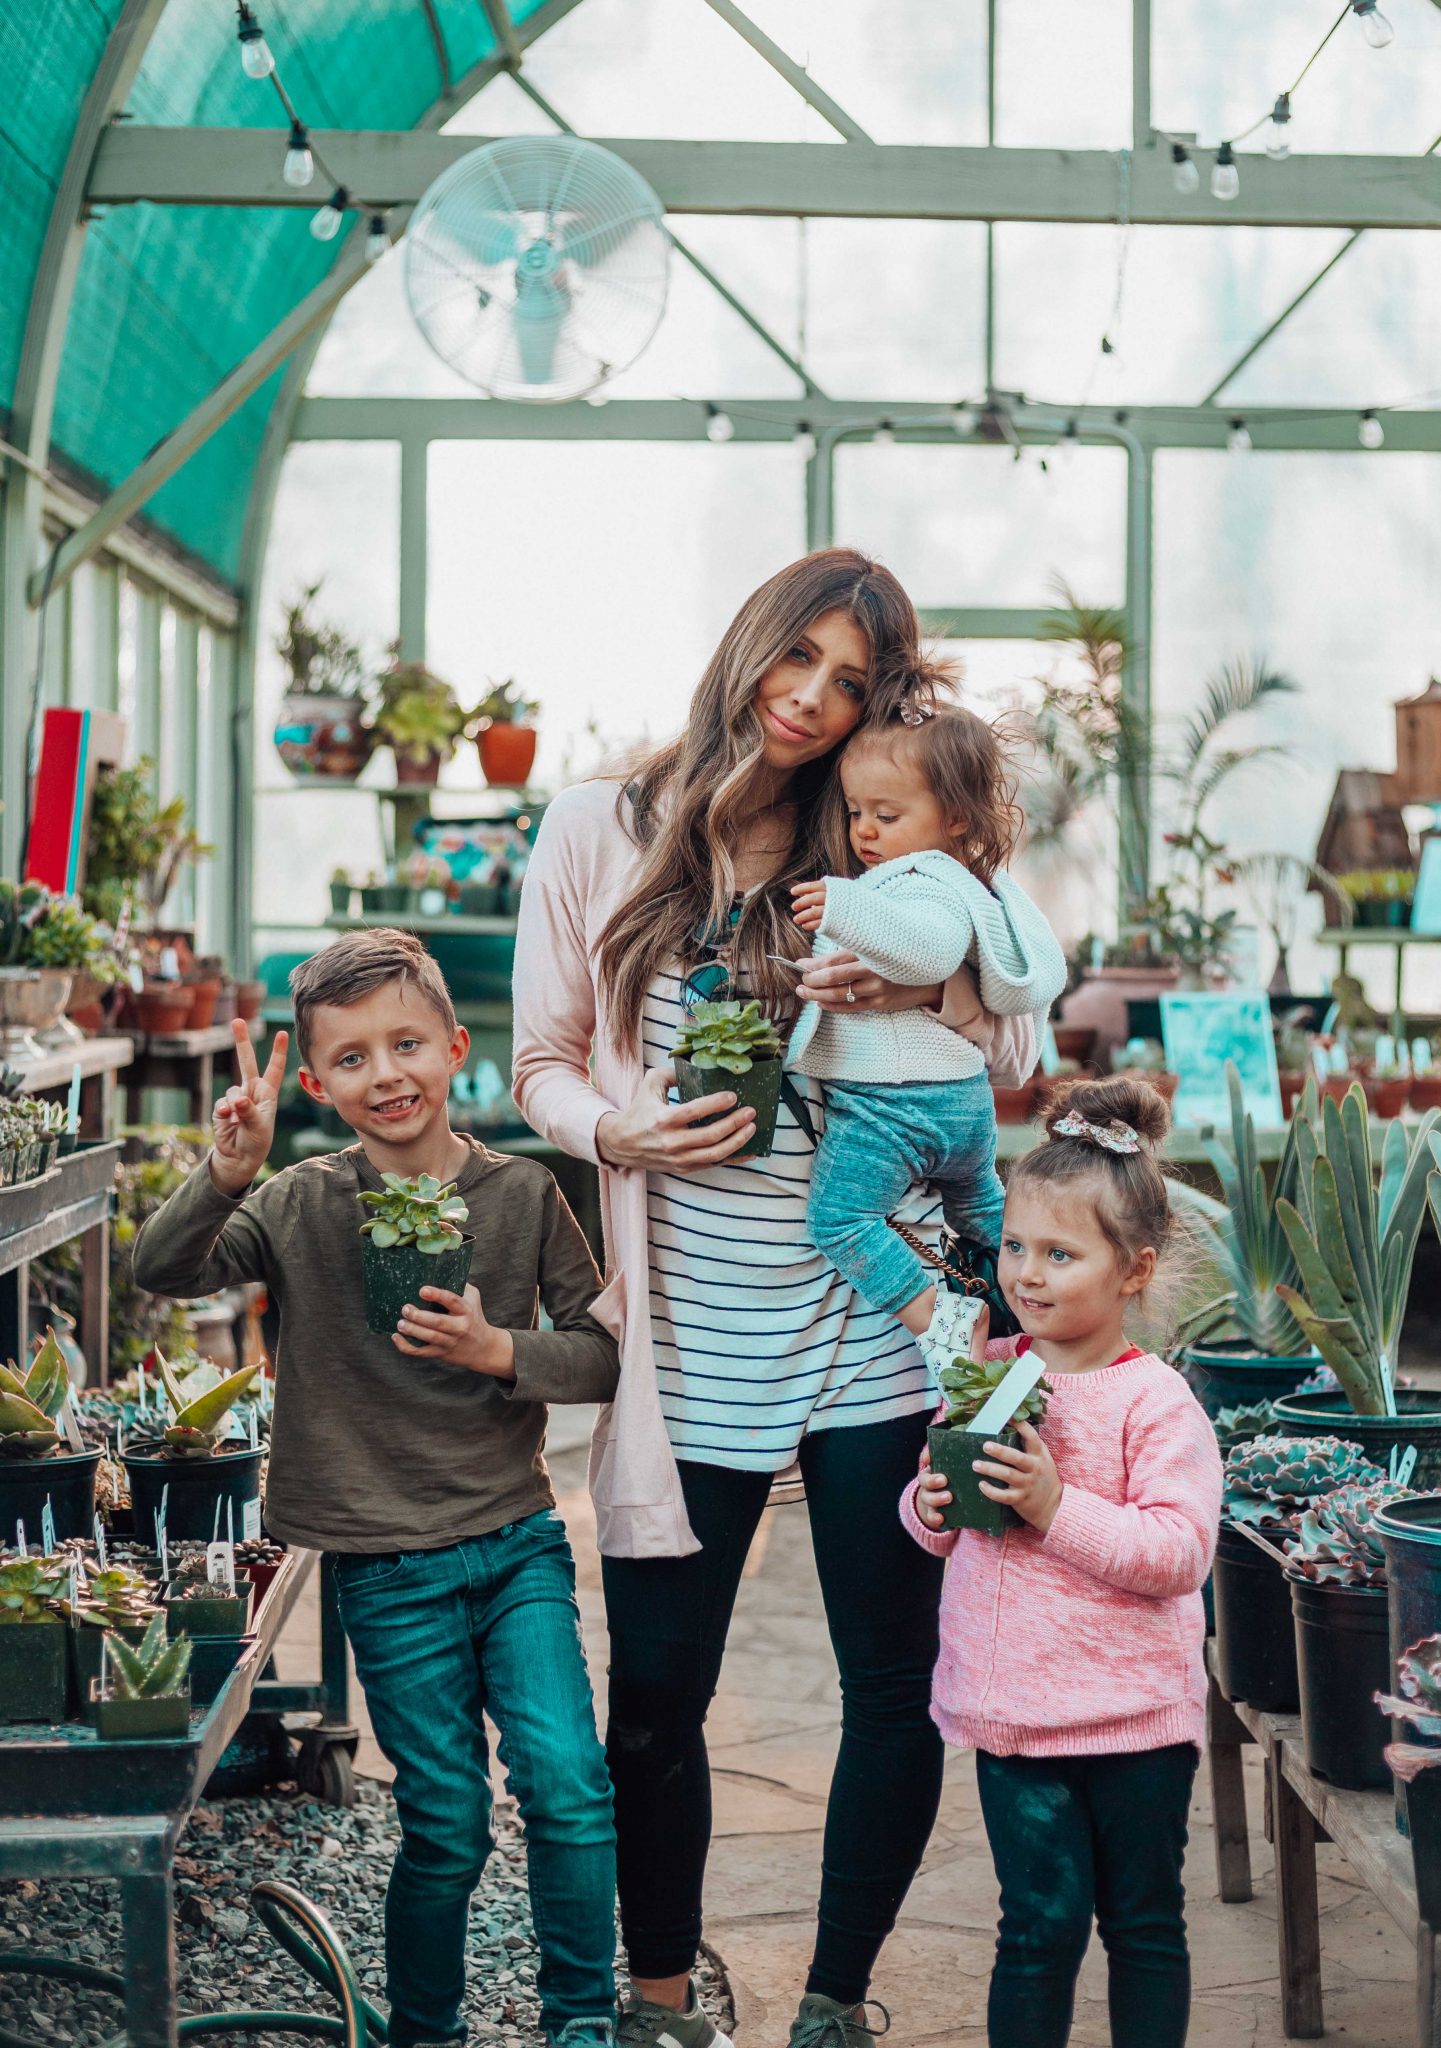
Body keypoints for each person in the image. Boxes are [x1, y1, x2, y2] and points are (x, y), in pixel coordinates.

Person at [510, 548, 1041, 2048]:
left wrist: (924, 997)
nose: (810, 701)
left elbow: (1013, 1041)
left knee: (894, 1680)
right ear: (748, 640)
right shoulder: (596, 829)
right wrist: (615, 1130)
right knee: (659, 1695)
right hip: (695, 1333)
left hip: (876, 1321)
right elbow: (539, 1059)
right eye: (795, 657)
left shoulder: (887, 834)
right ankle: (661, 1999)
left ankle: (833, 1998)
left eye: (850, 683)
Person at [133, 930, 622, 2048]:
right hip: (383, 1561)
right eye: (351, 1057)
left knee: (567, 1780)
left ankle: (585, 2019)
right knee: (444, 1814)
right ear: (314, 1083)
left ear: (457, 1046)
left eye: (407, 1042)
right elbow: (162, 1272)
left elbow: (597, 1355)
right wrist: (227, 1171)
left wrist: (501, 1351)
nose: (386, 1072)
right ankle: (428, 2031)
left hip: (514, 1542)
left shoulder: (524, 1193)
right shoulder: (300, 1202)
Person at [903, 1074, 1223, 2048]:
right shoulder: (990, 1372)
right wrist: (926, 1503)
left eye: (1059, 1252)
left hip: (1132, 1727)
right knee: (1035, 1931)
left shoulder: (1156, 1403)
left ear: (1132, 1270)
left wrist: (1054, 1504)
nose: (1026, 1272)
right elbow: (942, 1513)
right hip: (1017, 1723)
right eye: (1013, 1245)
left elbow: (1177, 1551)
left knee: (1141, 1925)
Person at [788, 676, 1065, 1365]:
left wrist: (843, 906)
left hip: (895, 1108)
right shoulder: (947, 878)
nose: (865, 831)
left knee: (840, 1218)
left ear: (957, 820)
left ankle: (941, 1317)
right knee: (982, 1215)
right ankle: (1046, 1319)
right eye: (856, 812)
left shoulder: (928, 879)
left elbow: (930, 950)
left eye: (886, 814)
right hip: (961, 1108)